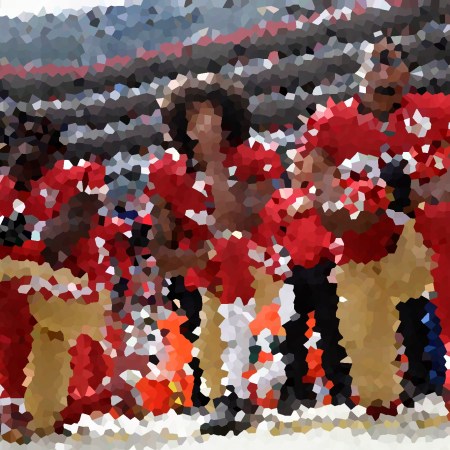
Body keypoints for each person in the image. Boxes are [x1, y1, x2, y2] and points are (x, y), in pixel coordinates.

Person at [146, 74, 284, 431]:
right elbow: (160, 248)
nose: (204, 122)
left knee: (232, 247)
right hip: (209, 280)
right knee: (212, 340)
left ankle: (240, 392)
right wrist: (196, 257)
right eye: (194, 115)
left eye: (211, 112)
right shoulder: (167, 174)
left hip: (263, 274)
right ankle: (230, 395)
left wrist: (214, 163)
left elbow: (236, 219)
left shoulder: (257, 159)